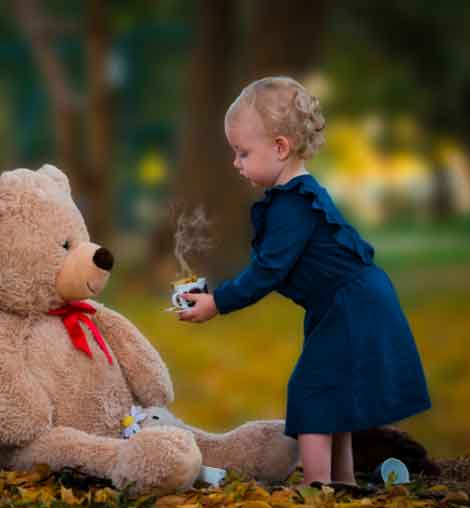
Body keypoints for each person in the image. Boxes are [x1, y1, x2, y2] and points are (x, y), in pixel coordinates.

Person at [177, 76, 431, 486]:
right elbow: (266, 264)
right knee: (335, 395)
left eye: (243, 152)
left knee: (312, 392)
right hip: (349, 303)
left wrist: (218, 303)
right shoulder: (295, 197)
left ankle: (316, 487)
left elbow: (266, 272)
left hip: (351, 306)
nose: (236, 163)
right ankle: (342, 482)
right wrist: (215, 290)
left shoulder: (293, 204)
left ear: (280, 147)